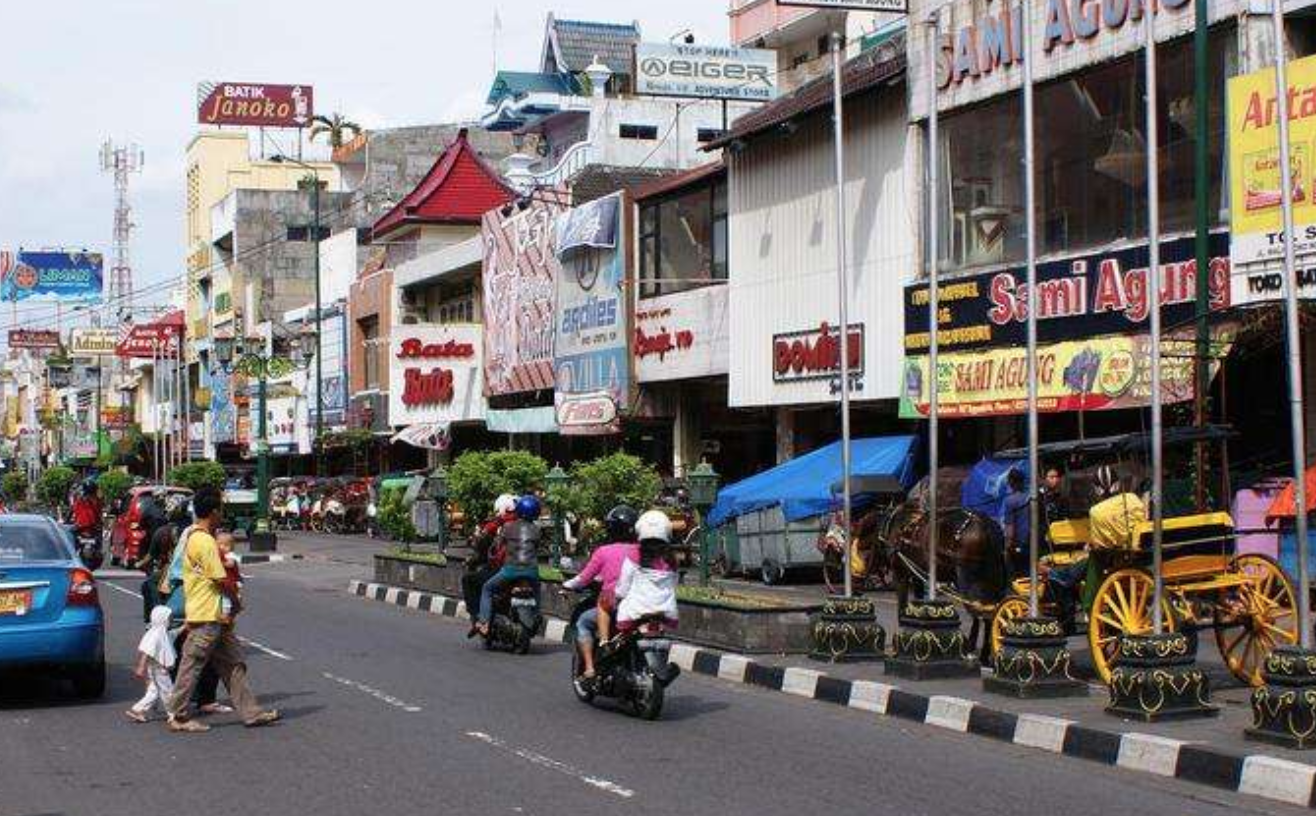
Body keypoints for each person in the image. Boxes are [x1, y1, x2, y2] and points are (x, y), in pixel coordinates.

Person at [166, 486, 278, 733]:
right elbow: (220, 578)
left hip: (216, 615)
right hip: (208, 612)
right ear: (214, 511)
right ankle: (178, 714)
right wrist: (236, 601)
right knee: (192, 663)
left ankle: (251, 712)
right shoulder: (203, 540)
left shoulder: (196, 536)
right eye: (221, 511)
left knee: (234, 664)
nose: (222, 516)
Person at [1046, 465, 1147, 633]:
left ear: (1096, 489)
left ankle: (1072, 599)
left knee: (1066, 572)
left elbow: (1098, 545)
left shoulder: (1096, 512)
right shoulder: (1133, 499)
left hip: (1110, 560)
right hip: (1137, 554)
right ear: (1117, 483)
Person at [562, 505, 640, 680]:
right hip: (640, 604)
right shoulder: (643, 551)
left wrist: (566, 585)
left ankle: (590, 668)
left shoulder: (603, 552)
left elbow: (583, 579)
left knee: (583, 622)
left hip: (614, 603)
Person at [474, 495, 542, 638]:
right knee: (537, 595)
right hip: (531, 571)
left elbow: (498, 545)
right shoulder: (537, 530)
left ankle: (484, 622)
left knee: (487, 589)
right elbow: (536, 547)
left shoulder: (508, 527)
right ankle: (536, 615)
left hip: (510, 570)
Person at [614, 510, 679, 634]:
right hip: (667, 614)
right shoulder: (672, 558)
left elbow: (623, 586)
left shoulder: (634, 554)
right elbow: (673, 585)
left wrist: (618, 597)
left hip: (634, 614)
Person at [463, 494, 517, 637]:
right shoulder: (529, 525)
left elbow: (482, 543)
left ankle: (479, 620)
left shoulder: (498, 524)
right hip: (530, 570)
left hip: (504, 570)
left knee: (470, 580)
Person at [126, 605, 176, 723]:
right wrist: (141, 667)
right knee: (168, 691)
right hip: (159, 669)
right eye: (170, 618)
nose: (172, 620)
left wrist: (185, 627)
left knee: (154, 691)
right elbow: (147, 651)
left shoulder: (159, 632)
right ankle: (173, 714)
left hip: (154, 668)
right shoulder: (157, 634)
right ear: (162, 619)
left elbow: (174, 634)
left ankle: (138, 710)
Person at [1000, 468, 1031, 576]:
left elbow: (1010, 527)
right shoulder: (1032, 497)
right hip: (1035, 541)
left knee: (1018, 573)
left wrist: (1008, 547)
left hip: (1020, 543)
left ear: (1010, 483)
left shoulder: (1010, 501)